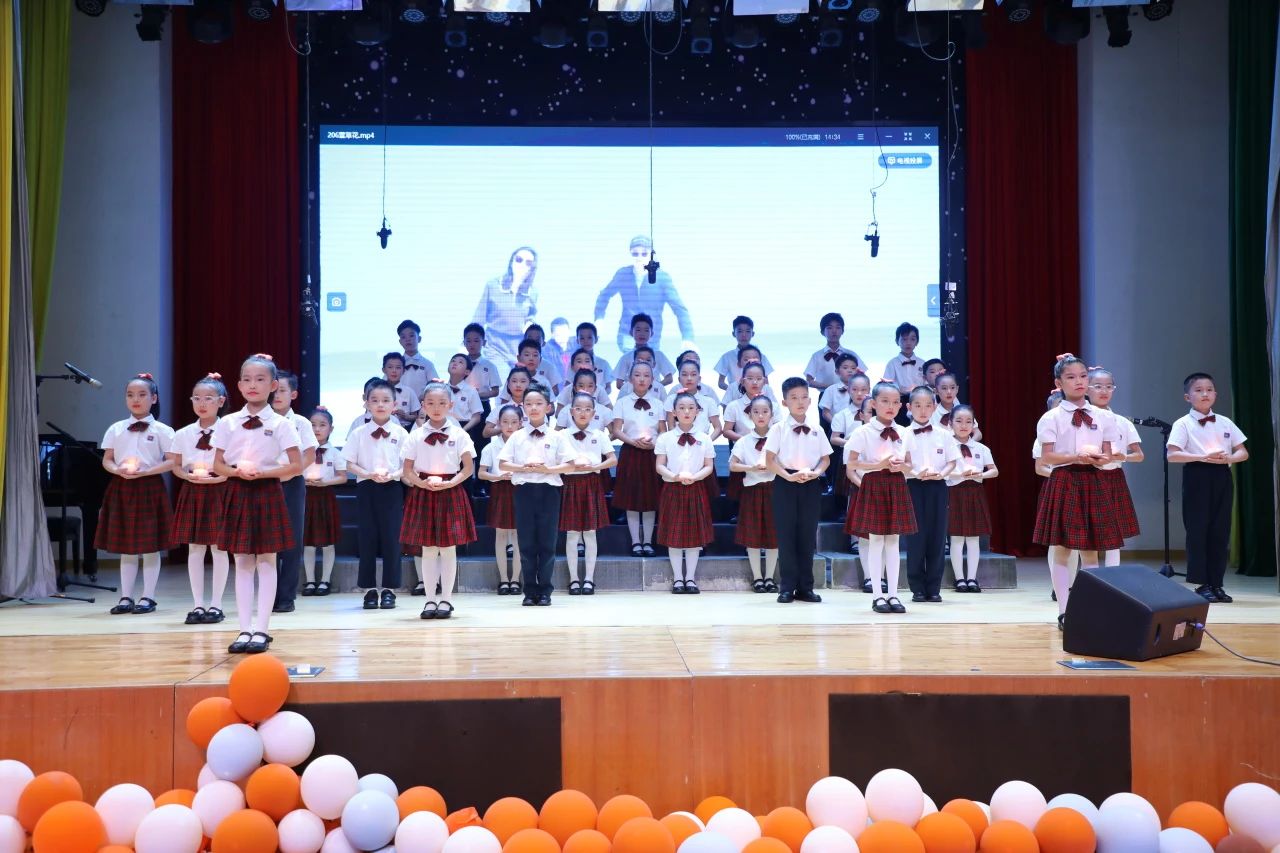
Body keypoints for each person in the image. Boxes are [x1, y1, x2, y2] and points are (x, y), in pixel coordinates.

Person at [212, 354, 302, 654]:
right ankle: (244, 629)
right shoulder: (227, 423)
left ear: (273, 385)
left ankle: (262, 629)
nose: (253, 385)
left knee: (266, 560)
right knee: (242, 562)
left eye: (261, 379)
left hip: (267, 491)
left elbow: (296, 465)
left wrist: (262, 472)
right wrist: (237, 472)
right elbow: (217, 464)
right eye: (247, 379)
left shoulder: (281, 424)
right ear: (239, 385)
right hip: (237, 490)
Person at [1032, 354, 1125, 630]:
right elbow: (1047, 457)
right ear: (1059, 383)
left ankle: (1090, 609)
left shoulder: (1103, 416)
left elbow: (1108, 454)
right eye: (1071, 377)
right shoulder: (1051, 417)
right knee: (1062, 549)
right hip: (1065, 480)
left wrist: (1101, 458)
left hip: (1093, 480)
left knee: (1091, 551)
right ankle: (1064, 610)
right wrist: (1075, 456)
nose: (1079, 382)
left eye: (1083, 376)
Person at [1167, 372, 1249, 603]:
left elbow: (1243, 452)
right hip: (1197, 475)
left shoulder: (1225, 422)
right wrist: (1203, 456)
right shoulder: (1183, 423)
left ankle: (1216, 583)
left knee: (1220, 530)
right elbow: (1172, 455)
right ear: (1187, 397)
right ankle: (1200, 583)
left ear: (1215, 394)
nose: (1205, 394)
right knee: (1198, 530)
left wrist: (1228, 458)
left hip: (1222, 475)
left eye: (1209, 389)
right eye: (1199, 390)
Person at [99, 373, 176, 617]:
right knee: (127, 546)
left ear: (154, 398)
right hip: (122, 486)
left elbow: (173, 461)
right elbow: (107, 459)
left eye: (142, 395)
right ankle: (126, 596)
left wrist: (148, 471)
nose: (136, 399)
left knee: (151, 546)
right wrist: (117, 470)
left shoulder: (163, 430)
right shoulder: (116, 428)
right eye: (130, 395)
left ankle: (148, 596)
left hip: (150, 488)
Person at [401, 382, 477, 621]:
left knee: (448, 548)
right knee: (428, 549)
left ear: (450, 405)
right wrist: (421, 483)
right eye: (431, 403)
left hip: (450, 491)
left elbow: (468, 468)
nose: (436, 408)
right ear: (423, 406)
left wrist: (451, 483)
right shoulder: (415, 435)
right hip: (424, 492)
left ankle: (446, 599)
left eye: (442, 403)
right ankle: (429, 599)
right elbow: (407, 469)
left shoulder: (459, 434)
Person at [845, 381, 918, 614]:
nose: (891, 406)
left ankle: (894, 594)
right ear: (874, 403)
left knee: (894, 541)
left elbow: (910, 465)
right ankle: (877, 595)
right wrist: (879, 464)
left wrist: (900, 467)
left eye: (895, 402)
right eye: (885, 401)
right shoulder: (863, 432)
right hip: (874, 484)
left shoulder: (905, 432)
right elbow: (852, 463)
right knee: (876, 541)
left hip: (896, 484)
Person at [499, 384, 575, 606]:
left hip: (549, 491)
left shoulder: (557, 436)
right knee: (526, 543)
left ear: (548, 407)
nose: (533, 408)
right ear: (522, 407)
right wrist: (523, 467)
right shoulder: (516, 436)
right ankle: (529, 591)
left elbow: (570, 465)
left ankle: (545, 591)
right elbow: (503, 464)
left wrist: (548, 470)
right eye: (529, 404)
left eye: (538, 403)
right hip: (524, 491)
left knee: (547, 543)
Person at [342, 379, 408, 612]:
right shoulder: (359, 432)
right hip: (366, 487)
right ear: (367, 403)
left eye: (386, 400)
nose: (380, 404)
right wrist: (368, 474)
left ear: (394, 405)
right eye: (375, 400)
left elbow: (407, 464)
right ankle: (369, 589)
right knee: (367, 537)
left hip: (392, 488)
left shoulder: (401, 433)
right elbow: (349, 463)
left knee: (392, 538)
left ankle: (390, 589)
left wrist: (393, 475)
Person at [764, 377, 831, 604]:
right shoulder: (778, 429)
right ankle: (786, 587)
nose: (800, 402)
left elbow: (825, 459)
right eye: (794, 398)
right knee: (786, 536)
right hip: (785, 481)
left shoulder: (817, 429)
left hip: (810, 482)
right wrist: (788, 476)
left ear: (810, 401)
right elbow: (770, 460)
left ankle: (805, 588)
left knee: (807, 536)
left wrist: (816, 473)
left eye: (803, 397)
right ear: (784, 402)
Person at [169, 373, 229, 625]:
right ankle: (197, 604)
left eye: (208, 398)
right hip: (193, 490)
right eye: (197, 398)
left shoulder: (230, 430)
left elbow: (235, 463)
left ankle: (216, 604)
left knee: (219, 547)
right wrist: (187, 476)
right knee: (194, 547)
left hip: (220, 490)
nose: (202, 403)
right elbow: (176, 465)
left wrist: (221, 477)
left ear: (221, 401)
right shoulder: (183, 434)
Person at [902, 385, 960, 603]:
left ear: (934, 407)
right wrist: (916, 473)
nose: (923, 410)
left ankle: (934, 588)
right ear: (909, 408)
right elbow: (901, 462)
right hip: (913, 486)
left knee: (937, 537)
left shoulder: (944, 434)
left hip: (938, 487)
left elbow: (952, 461)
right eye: (918, 405)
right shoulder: (903, 434)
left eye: (928, 405)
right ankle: (917, 588)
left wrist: (941, 475)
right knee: (915, 538)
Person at [655, 391, 716, 594]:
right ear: (674, 412)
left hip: (696, 488)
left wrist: (695, 477)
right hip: (672, 488)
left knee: (694, 537)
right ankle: (677, 579)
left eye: (691, 408)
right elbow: (659, 466)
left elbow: (709, 466)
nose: (686, 412)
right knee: (674, 536)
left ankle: (690, 579)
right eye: (681, 408)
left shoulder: (705, 438)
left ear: (698, 411)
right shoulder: (665, 438)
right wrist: (674, 476)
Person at [593, 235, 695, 353]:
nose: (639, 258)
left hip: (652, 337)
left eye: (644, 254)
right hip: (627, 334)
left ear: (651, 254)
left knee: (648, 362)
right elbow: (604, 295)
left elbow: (679, 309)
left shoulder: (662, 278)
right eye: (635, 254)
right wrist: (599, 319)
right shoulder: (623, 274)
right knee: (631, 361)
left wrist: (688, 338)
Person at [270, 370, 319, 613]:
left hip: (292, 482)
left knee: (292, 539)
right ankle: (268, 595)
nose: (277, 395)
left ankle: (286, 596)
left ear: (294, 394)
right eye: (274, 390)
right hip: (266, 482)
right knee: (267, 541)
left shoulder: (301, 423)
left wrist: (292, 471)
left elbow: (309, 454)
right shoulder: (261, 419)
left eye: (282, 390)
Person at [1085, 366, 1143, 566]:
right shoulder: (1080, 418)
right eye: (1098, 386)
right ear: (1086, 389)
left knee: (1113, 531)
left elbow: (1139, 455)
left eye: (1109, 386)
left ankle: (1113, 576)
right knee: (1087, 531)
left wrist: (1122, 456)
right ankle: (1087, 576)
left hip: (1113, 476)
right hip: (1088, 475)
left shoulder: (1122, 422)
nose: (1104, 391)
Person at [560, 393, 617, 595]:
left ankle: (589, 579)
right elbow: (554, 460)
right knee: (572, 534)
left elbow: (613, 459)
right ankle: (574, 579)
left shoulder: (599, 435)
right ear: (571, 411)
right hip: (570, 484)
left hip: (592, 483)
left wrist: (595, 466)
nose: (582, 413)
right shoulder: (562, 435)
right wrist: (570, 466)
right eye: (578, 408)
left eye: (587, 409)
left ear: (594, 413)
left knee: (591, 533)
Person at [611, 361, 665, 556]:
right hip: (630, 452)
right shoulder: (622, 402)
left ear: (652, 380)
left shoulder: (658, 404)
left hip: (652, 453)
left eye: (646, 375)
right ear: (630, 378)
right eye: (637, 375)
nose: (642, 379)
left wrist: (654, 443)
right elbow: (617, 430)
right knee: (631, 498)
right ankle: (635, 542)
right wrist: (633, 442)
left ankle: (648, 542)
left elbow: (663, 431)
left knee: (650, 498)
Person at [729, 395, 780, 593]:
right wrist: (751, 467)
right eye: (756, 412)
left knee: (774, 535)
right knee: (753, 535)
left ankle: (770, 577)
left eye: (765, 411)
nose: (760, 416)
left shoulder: (779, 438)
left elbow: (786, 463)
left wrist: (772, 465)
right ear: (749, 415)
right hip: (752, 490)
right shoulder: (743, 441)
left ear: (772, 414)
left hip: (774, 490)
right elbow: (733, 465)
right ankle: (757, 578)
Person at [946, 405, 997, 593]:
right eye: (959, 421)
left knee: (974, 538)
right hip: (954, 492)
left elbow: (994, 470)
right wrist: (959, 475)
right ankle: (959, 579)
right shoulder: (946, 447)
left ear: (974, 424)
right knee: (957, 537)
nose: (963, 425)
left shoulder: (981, 448)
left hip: (975, 492)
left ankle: (972, 578)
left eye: (968, 421)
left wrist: (979, 474)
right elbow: (942, 472)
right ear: (950, 423)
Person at [301, 406, 347, 597]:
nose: (317, 429)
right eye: (313, 425)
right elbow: (295, 472)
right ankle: (310, 581)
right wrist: (304, 481)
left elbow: (343, 477)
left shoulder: (335, 453)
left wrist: (325, 482)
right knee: (308, 542)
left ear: (331, 428)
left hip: (325, 497)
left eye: (322, 425)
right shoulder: (303, 452)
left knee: (328, 542)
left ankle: (325, 580)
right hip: (306, 497)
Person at [479, 405, 524, 595]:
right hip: (499, 490)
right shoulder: (491, 447)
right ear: (498, 423)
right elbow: (481, 473)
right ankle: (504, 579)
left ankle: (516, 579)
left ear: (521, 423)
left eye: (514, 422)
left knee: (518, 535)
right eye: (505, 422)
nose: (509, 426)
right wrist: (498, 477)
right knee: (501, 535)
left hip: (520, 489)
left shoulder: (525, 444)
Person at [473, 246, 539, 370]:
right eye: (519, 260)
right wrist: (466, 344)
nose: (522, 265)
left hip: (518, 348)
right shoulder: (493, 285)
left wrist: (530, 323)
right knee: (503, 378)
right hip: (494, 346)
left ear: (532, 268)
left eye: (528, 263)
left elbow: (531, 316)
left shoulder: (532, 292)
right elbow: (479, 317)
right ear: (511, 262)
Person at [805, 312, 866, 389]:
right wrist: (831, 388)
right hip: (825, 394)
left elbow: (863, 376)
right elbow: (809, 381)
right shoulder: (817, 356)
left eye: (838, 327)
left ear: (842, 331)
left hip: (849, 394)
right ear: (822, 332)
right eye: (829, 328)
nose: (834, 331)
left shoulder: (851, 354)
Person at [614, 313, 676, 389]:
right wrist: (636, 390)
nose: (642, 333)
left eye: (646, 330)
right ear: (631, 332)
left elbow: (669, 378)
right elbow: (619, 384)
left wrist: (653, 388)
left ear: (652, 333)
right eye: (638, 330)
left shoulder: (658, 355)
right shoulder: (625, 357)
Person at [715, 316, 774, 391]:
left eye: (747, 331)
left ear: (753, 333)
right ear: (733, 334)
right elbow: (721, 382)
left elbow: (766, 382)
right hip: (735, 396)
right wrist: (734, 391)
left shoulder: (761, 357)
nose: (744, 335)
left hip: (756, 395)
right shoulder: (727, 357)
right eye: (740, 331)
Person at [931, 373, 982, 441]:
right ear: (936, 391)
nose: (949, 392)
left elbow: (978, 433)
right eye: (944, 388)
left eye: (952, 388)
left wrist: (968, 444)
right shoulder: (932, 413)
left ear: (957, 389)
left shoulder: (963, 411)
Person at [397, 319, 440, 401]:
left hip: (422, 406)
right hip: (398, 406)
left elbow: (436, 386)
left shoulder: (427, 364)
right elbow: (384, 386)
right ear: (400, 342)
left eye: (411, 335)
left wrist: (423, 397)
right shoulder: (395, 364)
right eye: (403, 337)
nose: (408, 339)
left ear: (419, 339)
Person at [483, 366, 531, 437]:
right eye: (514, 381)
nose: (518, 385)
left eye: (523, 381)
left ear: (529, 384)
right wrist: (506, 428)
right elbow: (486, 433)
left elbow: (544, 431)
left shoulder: (535, 408)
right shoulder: (499, 409)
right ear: (508, 385)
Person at [441, 354, 483, 434]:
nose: (455, 363)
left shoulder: (471, 391)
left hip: (463, 428)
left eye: (460, 362)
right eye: (453, 361)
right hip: (442, 426)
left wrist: (462, 431)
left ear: (467, 372)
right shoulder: (440, 389)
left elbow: (476, 417)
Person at [382, 353, 421, 430]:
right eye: (390, 367)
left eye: (398, 367)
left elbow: (415, 416)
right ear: (384, 370)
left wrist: (405, 416)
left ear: (403, 371)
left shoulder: (409, 392)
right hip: (383, 429)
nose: (394, 371)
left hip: (405, 430)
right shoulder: (378, 391)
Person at [885, 322, 925, 394]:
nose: (908, 343)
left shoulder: (922, 363)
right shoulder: (892, 363)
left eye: (912, 339)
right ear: (897, 341)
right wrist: (900, 390)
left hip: (920, 398)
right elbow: (886, 385)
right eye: (904, 339)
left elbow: (927, 384)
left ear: (917, 342)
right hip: (898, 398)